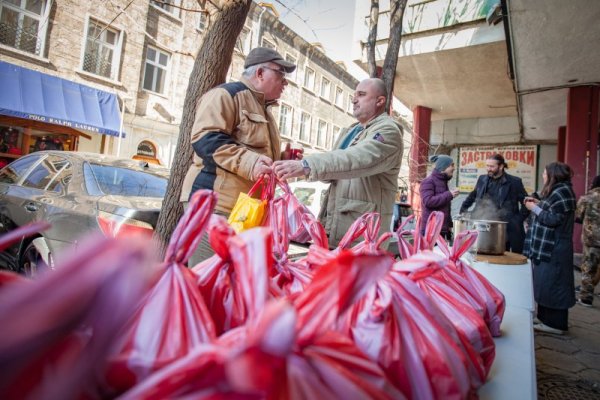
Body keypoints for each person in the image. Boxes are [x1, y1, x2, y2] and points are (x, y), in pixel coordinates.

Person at [180, 47, 297, 264]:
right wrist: (251, 163)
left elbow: (251, 151)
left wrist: (281, 159)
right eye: (280, 74)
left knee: (230, 282)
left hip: (242, 209)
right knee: (208, 278)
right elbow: (205, 139)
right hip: (214, 205)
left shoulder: (264, 110)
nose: (285, 82)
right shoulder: (225, 95)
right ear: (260, 73)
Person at [273, 78, 403, 247]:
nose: (354, 99)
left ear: (380, 101)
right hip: (337, 230)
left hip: (362, 240)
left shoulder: (388, 131)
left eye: (362, 95)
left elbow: (357, 159)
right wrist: (302, 163)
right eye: (354, 95)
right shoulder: (354, 131)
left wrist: (307, 165)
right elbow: (331, 175)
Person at [523, 162, 577, 335]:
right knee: (544, 283)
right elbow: (553, 209)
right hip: (547, 247)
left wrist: (535, 208)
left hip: (555, 246)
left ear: (554, 175)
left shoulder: (562, 192)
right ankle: (545, 318)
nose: (544, 177)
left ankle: (556, 324)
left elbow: (553, 219)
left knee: (554, 284)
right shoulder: (558, 190)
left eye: (545, 174)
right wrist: (539, 203)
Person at [459, 153, 529, 253]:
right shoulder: (482, 179)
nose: (488, 169)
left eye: (492, 166)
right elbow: (473, 195)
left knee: (506, 257)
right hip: (484, 226)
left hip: (507, 228)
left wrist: (518, 219)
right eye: (487, 166)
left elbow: (526, 202)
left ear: (501, 166)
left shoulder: (514, 182)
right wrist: (463, 210)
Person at [419, 154, 459, 240]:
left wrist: (449, 226)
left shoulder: (443, 182)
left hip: (441, 230)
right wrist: (449, 195)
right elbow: (428, 201)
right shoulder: (428, 181)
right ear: (443, 167)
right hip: (430, 230)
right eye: (451, 165)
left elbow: (444, 208)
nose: (454, 168)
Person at [575, 175, 600, 307]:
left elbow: (578, 216)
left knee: (588, 267)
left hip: (592, 239)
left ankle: (586, 298)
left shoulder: (587, 197)